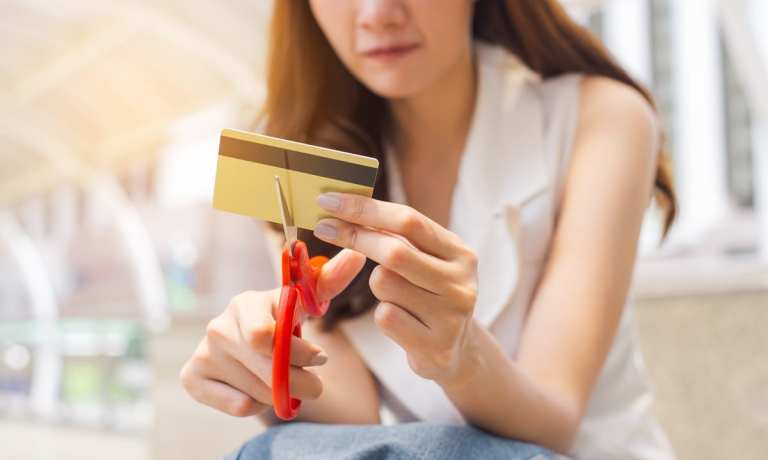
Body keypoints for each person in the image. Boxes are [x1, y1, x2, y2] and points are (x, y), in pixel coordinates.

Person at [180, 1, 679, 459]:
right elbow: (359, 419)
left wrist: (460, 356)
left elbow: (555, 423)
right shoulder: (294, 153)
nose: (377, 14)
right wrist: (267, 360)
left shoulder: (600, 115)